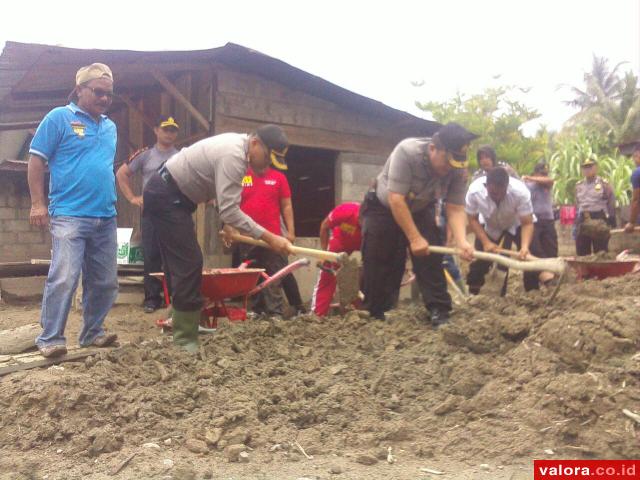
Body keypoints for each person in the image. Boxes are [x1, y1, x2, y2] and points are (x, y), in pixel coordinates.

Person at [143, 124, 291, 352]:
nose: (267, 166)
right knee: (189, 262)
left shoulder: (238, 149)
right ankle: (184, 338)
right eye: (268, 158)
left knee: (179, 263)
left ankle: (181, 321)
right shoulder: (234, 156)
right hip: (166, 195)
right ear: (255, 144)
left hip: (171, 196)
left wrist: (230, 226)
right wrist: (271, 238)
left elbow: (224, 199)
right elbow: (229, 209)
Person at [28, 63, 119, 358]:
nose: (104, 98)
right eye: (98, 92)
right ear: (80, 90)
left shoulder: (110, 127)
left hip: (105, 215)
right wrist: (38, 203)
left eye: (109, 94)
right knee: (65, 276)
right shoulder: (59, 118)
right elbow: (36, 160)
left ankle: (93, 333)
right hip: (69, 214)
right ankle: (50, 337)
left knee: (105, 280)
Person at [360, 122, 476, 326]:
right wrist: (414, 238)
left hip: (421, 208)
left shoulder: (458, 169)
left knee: (431, 256)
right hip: (384, 208)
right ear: (433, 148)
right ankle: (375, 314)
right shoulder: (407, 152)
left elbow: (455, 208)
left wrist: (462, 241)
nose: (449, 169)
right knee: (381, 260)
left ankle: (439, 311)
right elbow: (396, 199)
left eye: (454, 165)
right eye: (446, 163)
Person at [116, 115, 180, 313]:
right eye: (165, 129)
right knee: (151, 255)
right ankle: (152, 298)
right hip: (151, 213)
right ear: (156, 130)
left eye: (173, 130)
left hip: (175, 214)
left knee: (173, 256)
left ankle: (174, 298)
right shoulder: (145, 155)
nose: (169, 133)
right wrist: (132, 198)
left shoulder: (181, 156)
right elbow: (121, 173)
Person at [466, 167, 540, 294]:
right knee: (480, 259)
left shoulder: (520, 192)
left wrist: (524, 247)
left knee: (530, 256)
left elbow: (527, 223)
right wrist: (485, 242)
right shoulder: (474, 191)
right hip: (490, 225)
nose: (498, 197)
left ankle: (532, 293)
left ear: (507, 186)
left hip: (516, 223)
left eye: (502, 193)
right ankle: (474, 294)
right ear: (486, 186)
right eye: (494, 193)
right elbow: (472, 219)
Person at [238, 154, 295, 317]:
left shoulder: (279, 178)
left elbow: (286, 206)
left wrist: (290, 232)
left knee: (273, 275)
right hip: (247, 236)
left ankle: (274, 312)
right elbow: (233, 202)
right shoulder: (243, 177)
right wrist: (231, 227)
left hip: (273, 237)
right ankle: (256, 310)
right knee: (251, 274)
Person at [311, 202, 362, 316]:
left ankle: (360, 312)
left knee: (364, 277)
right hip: (340, 242)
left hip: (365, 243)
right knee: (327, 275)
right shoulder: (346, 211)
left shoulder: (376, 223)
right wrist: (324, 254)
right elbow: (324, 226)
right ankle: (317, 315)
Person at [522, 161, 558, 284]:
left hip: (548, 221)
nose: (544, 176)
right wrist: (528, 180)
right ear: (536, 173)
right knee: (534, 253)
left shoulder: (546, 183)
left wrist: (530, 177)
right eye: (542, 174)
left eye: (545, 174)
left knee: (552, 252)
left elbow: (550, 181)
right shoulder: (527, 185)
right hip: (533, 223)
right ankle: (531, 286)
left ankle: (552, 281)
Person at [574, 158, 616, 255]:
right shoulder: (578, 185)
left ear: (595, 168)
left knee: (601, 251)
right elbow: (577, 203)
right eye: (584, 168)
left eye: (590, 167)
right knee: (582, 251)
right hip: (583, 219)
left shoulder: (603, 184)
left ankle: (601, 270)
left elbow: (611, 201)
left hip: (599, 218)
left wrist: (611, 218)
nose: (587, 170)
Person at [623, 143, 640, 233]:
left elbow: (636, 199)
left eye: (634, 157)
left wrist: (631, 222)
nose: (633, 160)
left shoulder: (637, 173)